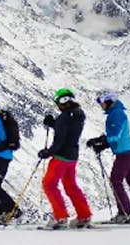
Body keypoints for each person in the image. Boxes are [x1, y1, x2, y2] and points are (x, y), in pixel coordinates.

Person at [86, 89, 130, 223]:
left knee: (115, 181)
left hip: (125, 153)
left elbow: (115, 136)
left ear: (109, 101)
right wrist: (103, 144)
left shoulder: (116, 114)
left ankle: (125, 213)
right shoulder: (115, 113)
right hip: (128, 150)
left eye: (102, 102)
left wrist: (100, 141)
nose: (100, 105)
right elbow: (116, 137)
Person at [38, 88, 93, 229]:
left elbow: (60, 139)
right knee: (71, 186)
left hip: (61, 157)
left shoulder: (64, 117)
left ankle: (60, 217)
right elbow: (68, 130)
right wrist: (54, 124)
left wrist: (48, 152)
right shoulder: (78, 114)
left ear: (62, 102)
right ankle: (84, 215)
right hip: (72, 156)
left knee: (49, 184)